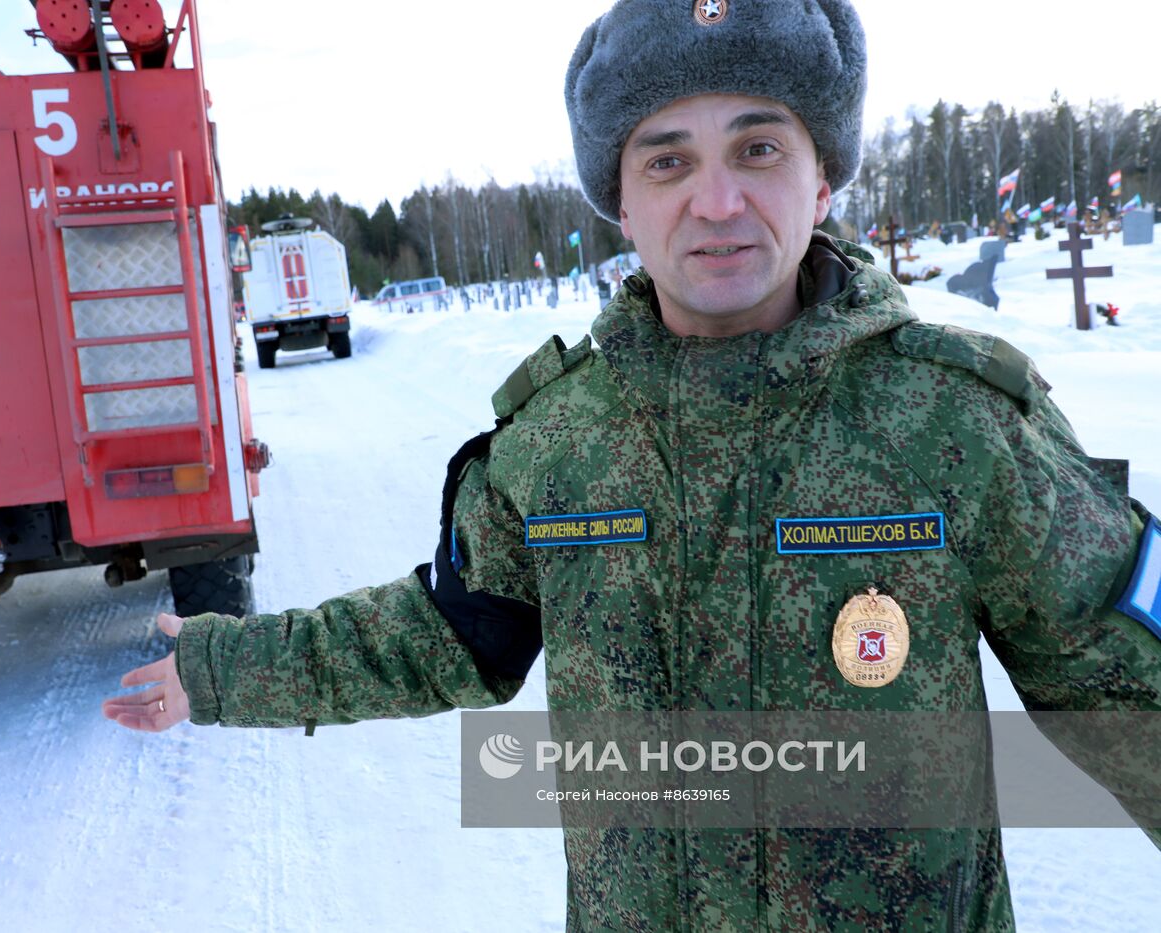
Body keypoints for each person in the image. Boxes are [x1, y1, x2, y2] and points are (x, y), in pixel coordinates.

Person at [103, 0, 1161, 928]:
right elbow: (442, 634)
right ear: (618, 197)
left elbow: (1131, 689)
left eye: (757, 149)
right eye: (667, 160)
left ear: (824, 176)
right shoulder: (556, 440)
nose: (714, 202)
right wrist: (224, 668)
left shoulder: (956, 425)